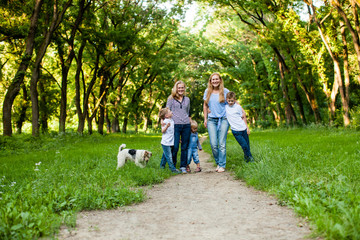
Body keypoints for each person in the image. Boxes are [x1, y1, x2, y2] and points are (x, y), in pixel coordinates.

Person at [203, 72, 230, 173]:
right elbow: (205, 106)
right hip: (211, 120)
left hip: (223, 119)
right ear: (210, 81)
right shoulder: (207, 91)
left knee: (222, 143)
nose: (215, 81)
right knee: (213, 144)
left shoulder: (225, 91)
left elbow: (230, 105)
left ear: (220, 80)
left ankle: (222, 165)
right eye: (213, 79)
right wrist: (205, 119)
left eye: (217, 79)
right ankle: (219, 162)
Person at [166, 81, 191, 174]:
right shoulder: (171, 99)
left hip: (186, 125)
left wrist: (190, 122)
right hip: (175, 125)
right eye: (179, 88)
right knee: (175, 146)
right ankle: (173, 165)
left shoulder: (187, 99)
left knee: (184, 146)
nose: (181, 89)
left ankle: (183, 166)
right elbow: (167, 112)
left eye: (182, 88)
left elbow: (188, 112)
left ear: (184, 89)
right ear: (176, 88)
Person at [225, 92, 254, 163]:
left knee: (247, 145)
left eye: (232, 101)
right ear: (226, 100)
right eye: (229, 101)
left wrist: (247, 128)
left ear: (235, 100)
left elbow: (243, 117)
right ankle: (251, 158)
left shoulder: (238, 107)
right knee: (244, 145)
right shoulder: (225, 108)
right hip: (236, 131)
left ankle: (246, 160)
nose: (230, 102)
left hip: (243, 129)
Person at [159, 108, 181, 173]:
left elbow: (173, 132)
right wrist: (166, 126)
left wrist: (178, 139)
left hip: (170, 142)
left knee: (165, 156)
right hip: (165, 143)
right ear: (166, 115)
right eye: (169, 111)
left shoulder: (172, 120)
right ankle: (173, 169)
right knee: (169, 156)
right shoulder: (165, 121)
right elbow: (162, 131)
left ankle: (161, 167)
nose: (171, 111)